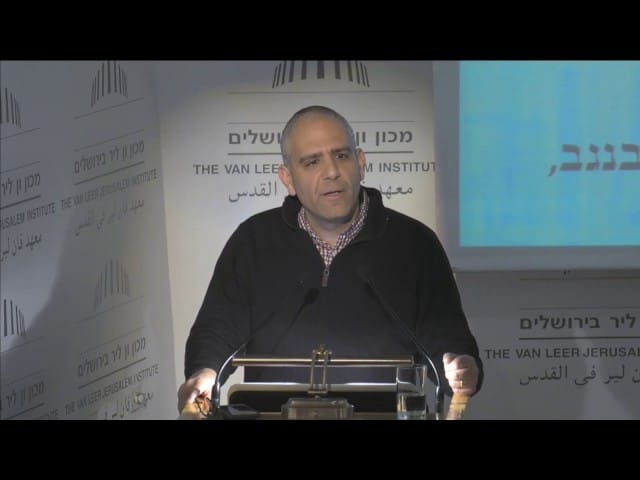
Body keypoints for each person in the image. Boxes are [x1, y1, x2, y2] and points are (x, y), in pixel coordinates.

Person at [178, 105, 483, 416]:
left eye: (341, 156)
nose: (332, 172)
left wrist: (460, 366)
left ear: (360, 162)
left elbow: (448, 340)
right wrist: (205, 372)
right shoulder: (253, 241)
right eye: (312, 162)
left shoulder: (415, 243)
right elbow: (217, 330)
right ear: (288, 179)